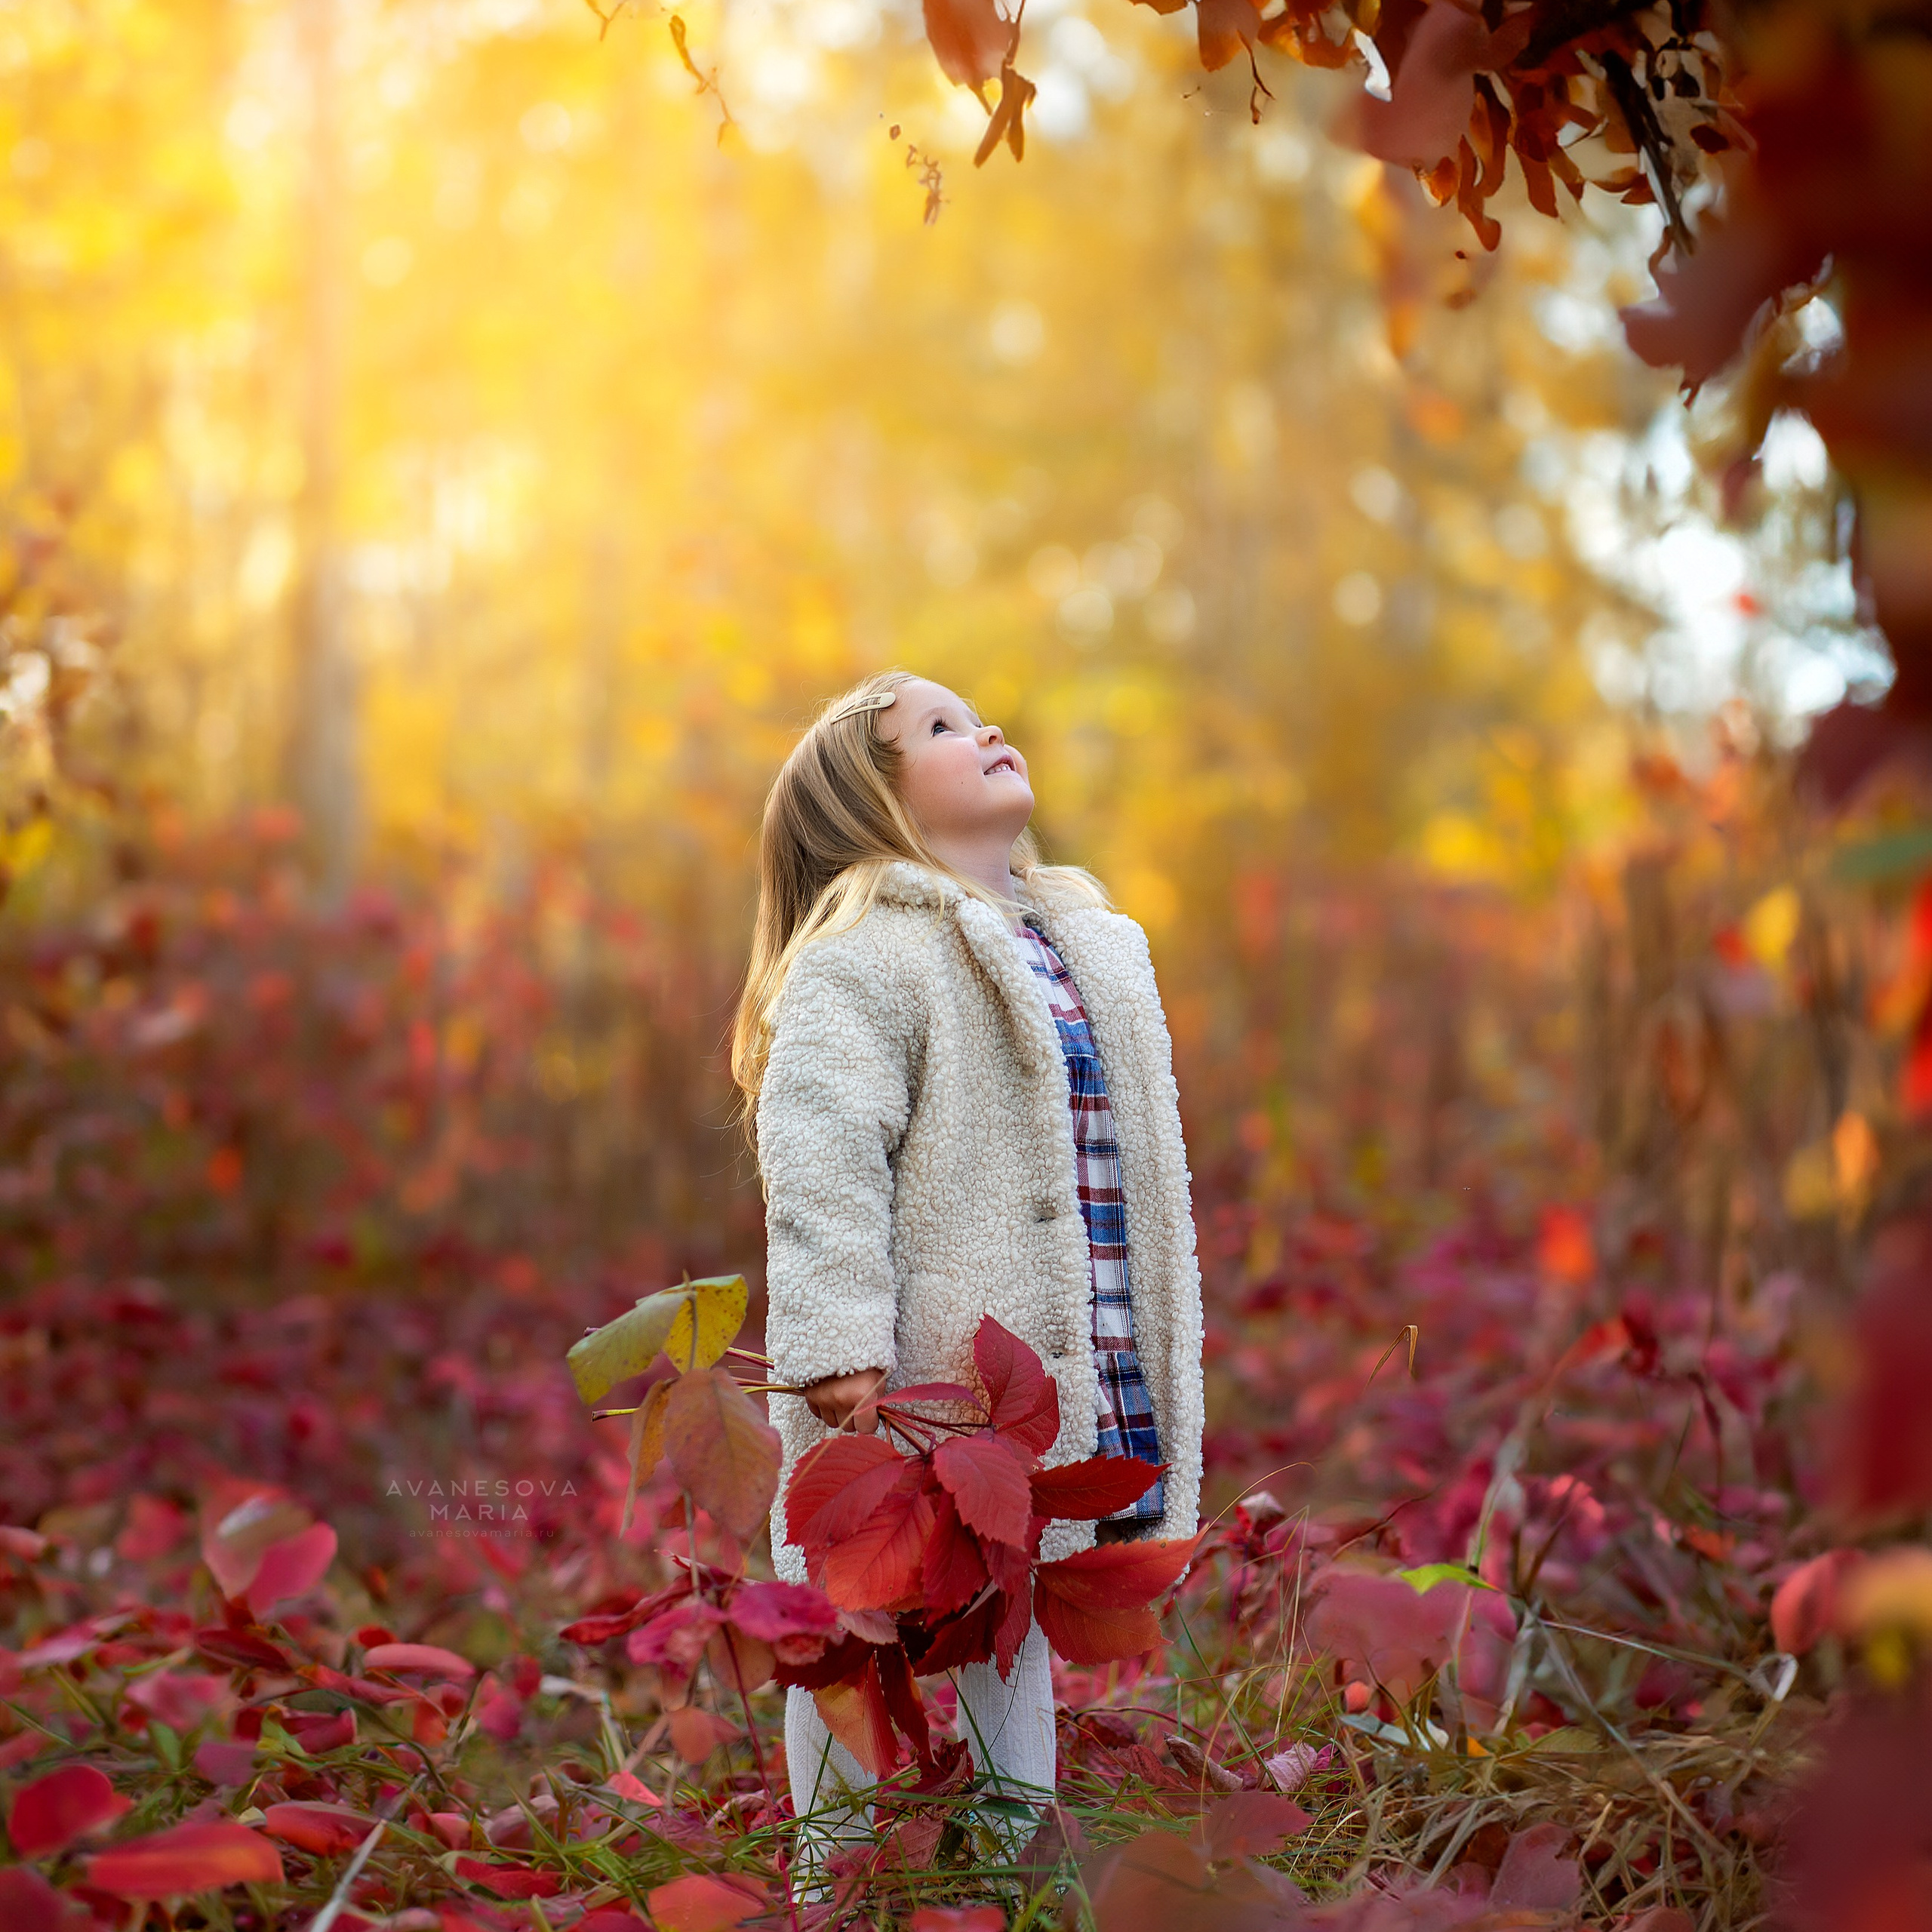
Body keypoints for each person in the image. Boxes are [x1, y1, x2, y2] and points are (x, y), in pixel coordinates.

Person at [730, 669, 1204, 1867]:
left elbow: (1134, 1159)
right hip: (925, 1375)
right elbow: (822, 1148)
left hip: (1068, 1351)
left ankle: (1011, 1864)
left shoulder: (1090, 946)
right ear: (874, 804)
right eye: (939, 729)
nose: (985, 728)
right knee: (858, 1616)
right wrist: (838, 1339)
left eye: (978, 713)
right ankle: (831, 1869)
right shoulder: (868, 958)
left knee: (1014, 1607)